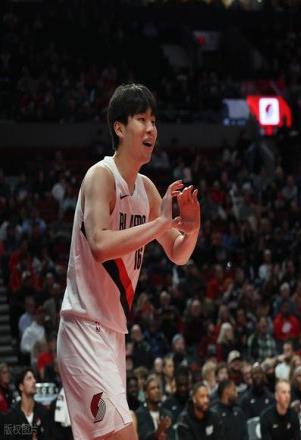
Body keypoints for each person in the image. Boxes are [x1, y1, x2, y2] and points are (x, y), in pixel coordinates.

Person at [57, 83, 200, 440]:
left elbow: (178, 253)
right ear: (119, 128)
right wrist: (160, 223)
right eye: (142, 120)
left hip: (113, 334)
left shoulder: (146, 189)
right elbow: (100, 244)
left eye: (154, 121)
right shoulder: (101, 177)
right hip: (83, 328)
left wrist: (192, 228)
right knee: (124, 435)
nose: (151, 129)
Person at [4, 368, 53, 439]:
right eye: (29, 378)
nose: (34, 381)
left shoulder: (43, 412)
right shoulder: (12, 415)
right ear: (21, 387)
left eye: (34, 378)